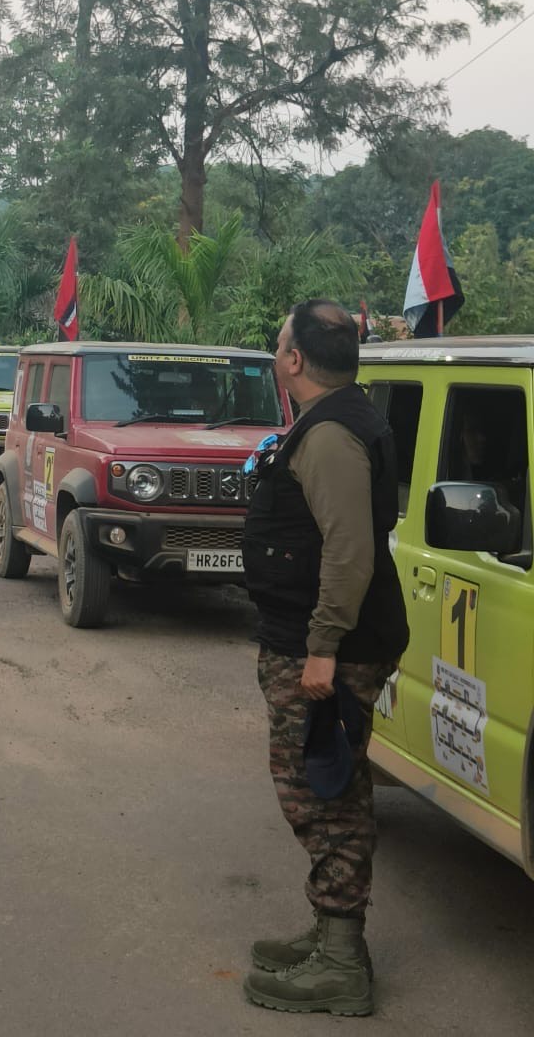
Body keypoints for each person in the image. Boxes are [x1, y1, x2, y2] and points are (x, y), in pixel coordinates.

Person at [241, 299, 410, 1017]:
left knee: (322, 792)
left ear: (294, 361)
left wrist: (322, 650)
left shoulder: (334, 433)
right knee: (326, 786)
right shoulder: (338, 418)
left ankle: (340, 961)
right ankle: (330, 932)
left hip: (328, 652)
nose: (279, 352)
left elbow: (350, 552)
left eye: (280, 344)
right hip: (319, 641)